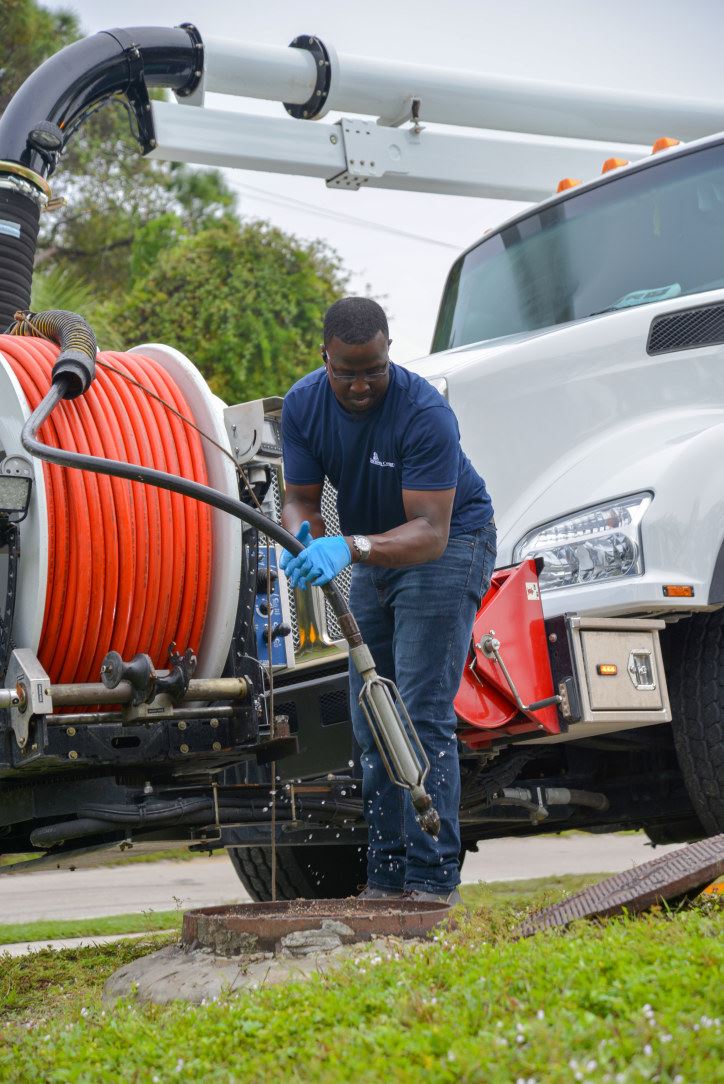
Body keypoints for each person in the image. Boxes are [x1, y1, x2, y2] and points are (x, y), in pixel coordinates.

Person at [280, 297, 496, 903]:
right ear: (325, 357)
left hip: (446, 546)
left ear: (388, 354)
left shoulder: (424, 411)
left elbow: (429, 531)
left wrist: (348, 545)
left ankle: (431, 884)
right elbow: (300, 496)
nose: (360, 384)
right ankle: (386, 882)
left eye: (373, 368)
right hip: (371, 551)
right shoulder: (303, 405)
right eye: (346, 370)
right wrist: (303, 535)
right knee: (373, 718)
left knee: (421, 713)